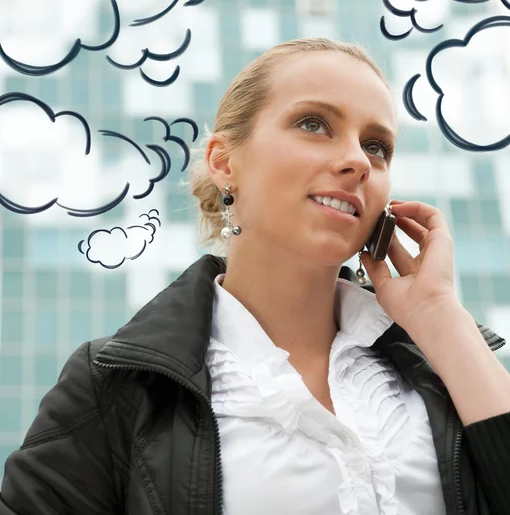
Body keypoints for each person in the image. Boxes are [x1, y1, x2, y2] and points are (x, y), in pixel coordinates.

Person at [1, 38, 509, 515]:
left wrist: (437, 313)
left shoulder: (441, 367)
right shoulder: (114, 386)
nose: (358, 159)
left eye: (377, 146)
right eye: (314, 124)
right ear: (224, 163)